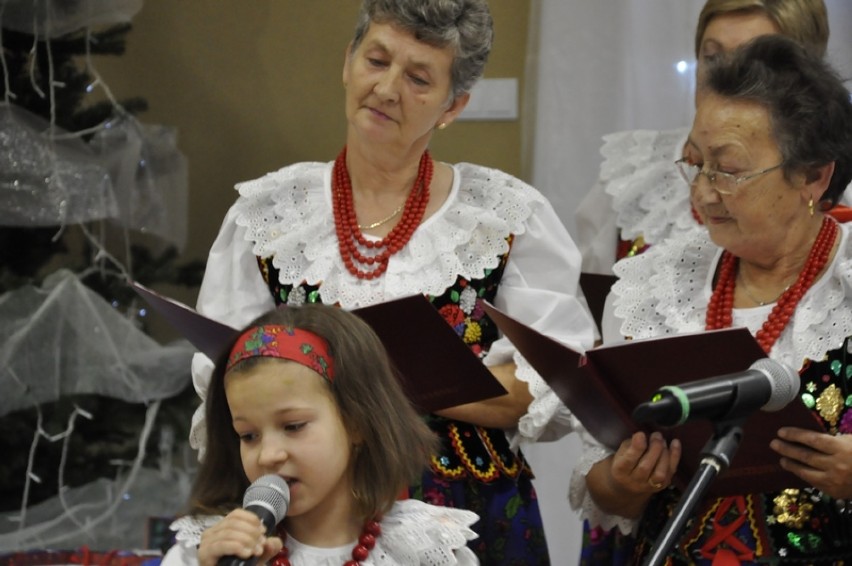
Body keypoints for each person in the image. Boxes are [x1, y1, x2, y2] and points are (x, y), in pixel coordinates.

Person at [188, 0, 597, 563]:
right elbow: (225, 374)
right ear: (347, 61)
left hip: (469, 508)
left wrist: (368, 381)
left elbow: (550, 385)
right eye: (376, 60)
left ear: (454, 105)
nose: (386, 89)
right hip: (308, 513)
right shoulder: (269, 215)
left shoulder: (504, 216)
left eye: (419, 78)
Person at [572, 35, 852, 564]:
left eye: (729, 169)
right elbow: (603, 488)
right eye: (696, 163)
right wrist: (628, 480)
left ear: (814, 175)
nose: (702, 192)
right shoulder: (652, 286)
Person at [162, 303, 480, 565]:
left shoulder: (424, 546)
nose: (269, 455)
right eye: (248, 435)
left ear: (356, 422)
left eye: (293, 426)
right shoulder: (203, 551)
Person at [573, 0, 833, 275]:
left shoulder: (828, 188)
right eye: (713, 57)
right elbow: (588, 296)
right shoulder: (634, 172)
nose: (724, 76)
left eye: (754, 63)